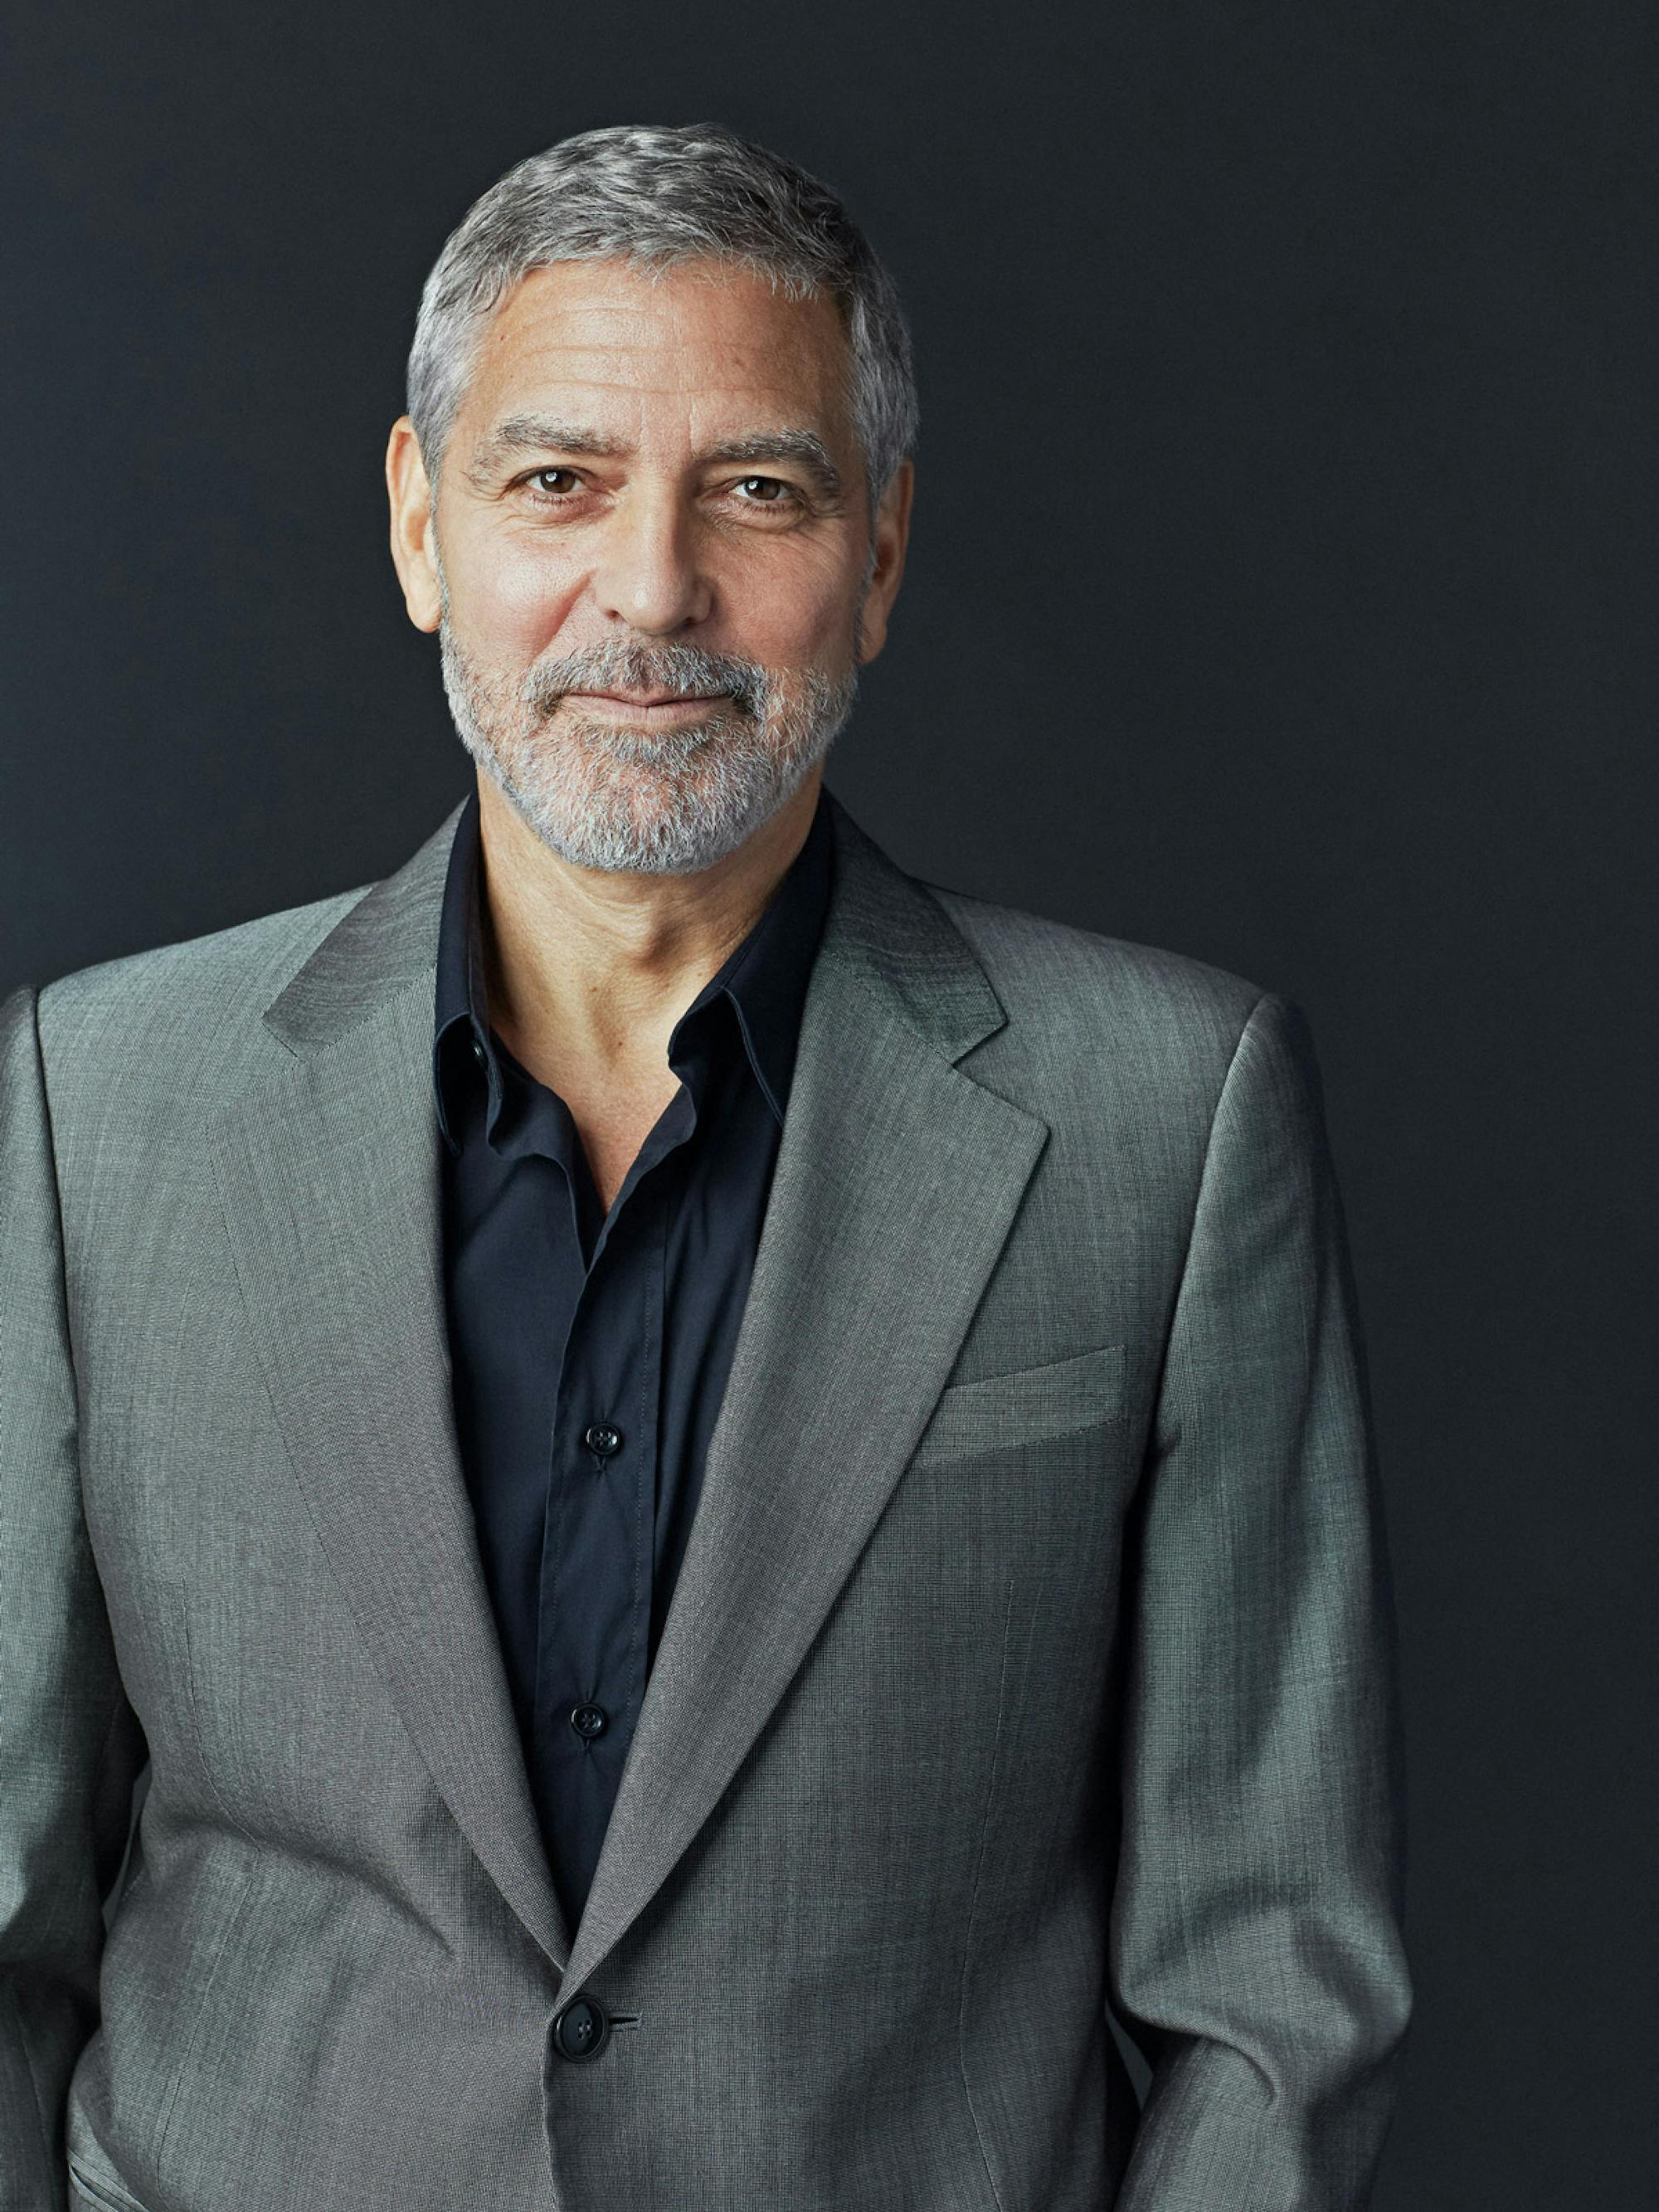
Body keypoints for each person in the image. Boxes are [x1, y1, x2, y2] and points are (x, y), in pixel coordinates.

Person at [0, 122, 1411, 2212]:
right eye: (554, 481)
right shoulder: (91, 1102)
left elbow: (1271, 1995)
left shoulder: (1169, 1113)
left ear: (885, 549)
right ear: (418, 527)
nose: (651, 590)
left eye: (757, 488)